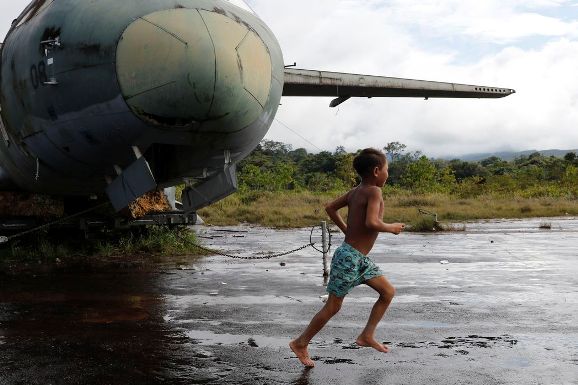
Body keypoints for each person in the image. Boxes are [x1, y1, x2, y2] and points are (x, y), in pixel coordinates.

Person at [289, 148, 405, 367]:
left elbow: (330, 208)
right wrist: (392, 227)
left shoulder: (356, 191)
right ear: (377, 170)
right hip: (349, 258)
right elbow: (371, 222)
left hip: (358, 258)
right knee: (333, 306)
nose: (388, 174)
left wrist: (347, 230)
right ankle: (300, 343)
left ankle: (367, 335)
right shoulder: (373, 192)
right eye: (387, 169)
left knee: (387, 291)